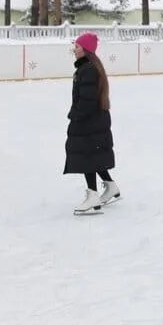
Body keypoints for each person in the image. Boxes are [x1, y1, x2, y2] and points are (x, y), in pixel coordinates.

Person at [65, 32, 120, 215]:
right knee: (92, 155)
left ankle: (93, 196)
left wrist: (75, 115)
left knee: (87, 157)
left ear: (86, 50)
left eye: (78, 47)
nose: (74, 49)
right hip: (94, 121)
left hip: (89, 121)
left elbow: (87, 101)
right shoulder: (89, 67)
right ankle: (110, 186)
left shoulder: (87, 70)